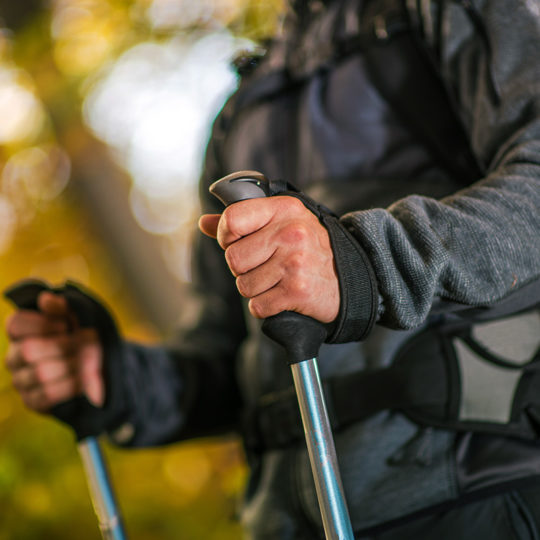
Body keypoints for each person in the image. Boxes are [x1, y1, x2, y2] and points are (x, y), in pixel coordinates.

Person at [5, 0, 540, 537]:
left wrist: (364, 263)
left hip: (482, 494)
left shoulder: (452, 12)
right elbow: (226, 356)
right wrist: (116, 379)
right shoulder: (244, 108)